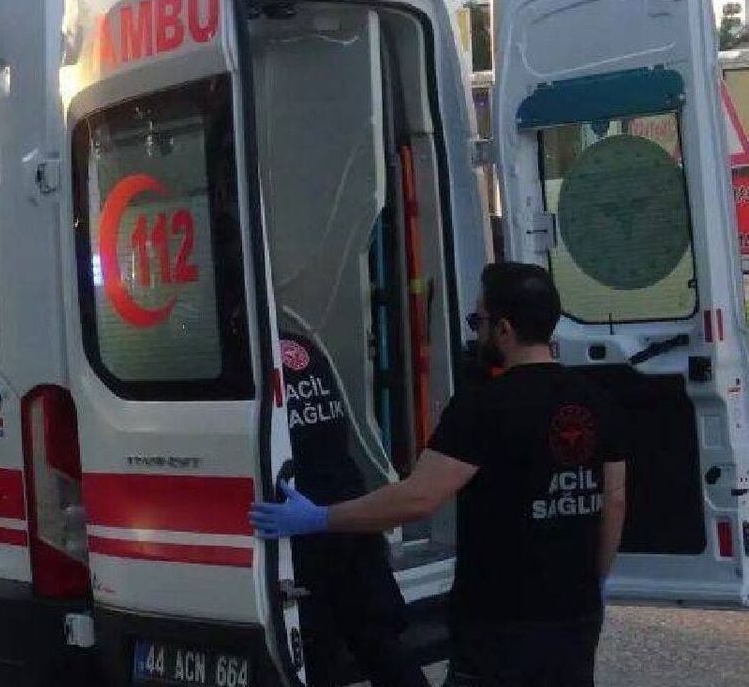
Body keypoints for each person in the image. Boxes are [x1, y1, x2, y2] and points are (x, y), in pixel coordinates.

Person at [251, 263, 628, 687]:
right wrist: (593, 583)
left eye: (478, 321)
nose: (476, 332)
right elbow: (614, 502)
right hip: (576, 616)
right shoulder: (597, 400)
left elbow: (419, 498)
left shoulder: (483, 406)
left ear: (504, 329)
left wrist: (321, 517)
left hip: (501, 621)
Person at [276, 329, 430, 687]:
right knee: (377, 639)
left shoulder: (253, 353)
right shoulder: (304, 345)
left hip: (304, 518)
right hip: (347, 504)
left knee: (317, 647)